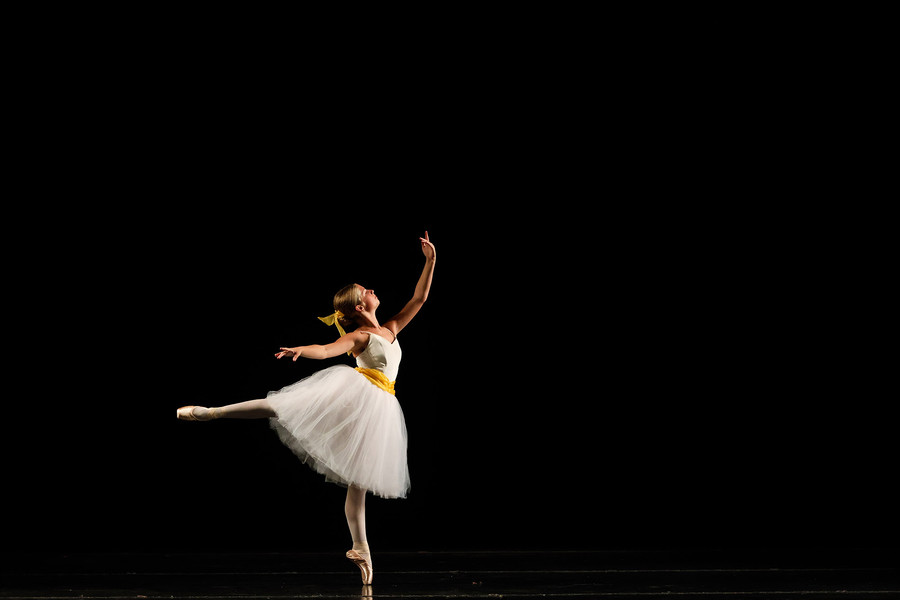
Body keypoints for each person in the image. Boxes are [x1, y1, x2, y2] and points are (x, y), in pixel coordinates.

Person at [176, 232, 436, 585]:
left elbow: (420, 298)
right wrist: (302, 349)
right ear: (360, 308)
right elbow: (328, 349)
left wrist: (429, 260)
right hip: (358, 392)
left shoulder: (391, 328)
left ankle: (361, 548)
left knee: (358, 479)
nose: (373, 291)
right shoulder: (360, 336)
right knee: (281, 406)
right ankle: (213, 412)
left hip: (382, 404)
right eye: (366, 291)